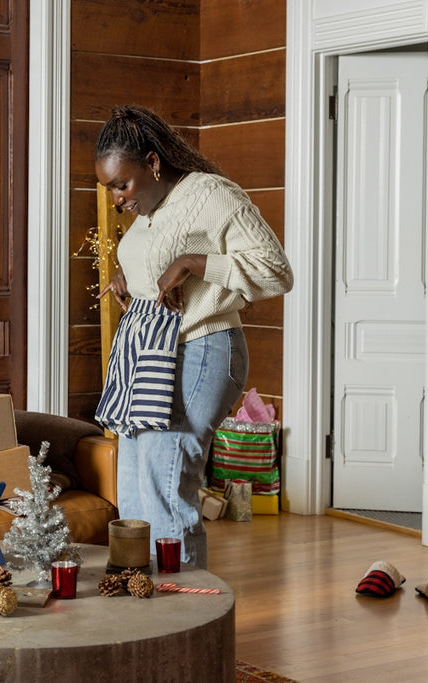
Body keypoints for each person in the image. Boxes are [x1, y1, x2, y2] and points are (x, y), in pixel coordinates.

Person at [93, 105, 293, 569]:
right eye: (110, 189)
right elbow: (155, 257)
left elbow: (276, 271)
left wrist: (193, 263)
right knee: (133, 492)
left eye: (121, 185)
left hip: (202, 346)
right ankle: (141, 598)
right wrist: (128, 275)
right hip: (150, 356)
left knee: (165, 488)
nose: (117, 199)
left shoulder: (212, 195)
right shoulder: (151, 206)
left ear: (152, 162)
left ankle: (184, 603)